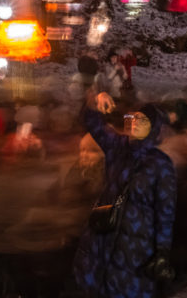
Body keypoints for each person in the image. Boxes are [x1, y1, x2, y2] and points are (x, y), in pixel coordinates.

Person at [74, 92, 177, 298]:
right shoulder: (118, 148)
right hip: (104, 237)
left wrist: (163, 250)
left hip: (135, 247)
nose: (135, 123)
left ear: (154, 128)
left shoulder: (161, 164)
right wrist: (96, 100)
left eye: (143, 120)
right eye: (133, 118)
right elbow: (92, 123)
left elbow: (165, 212)